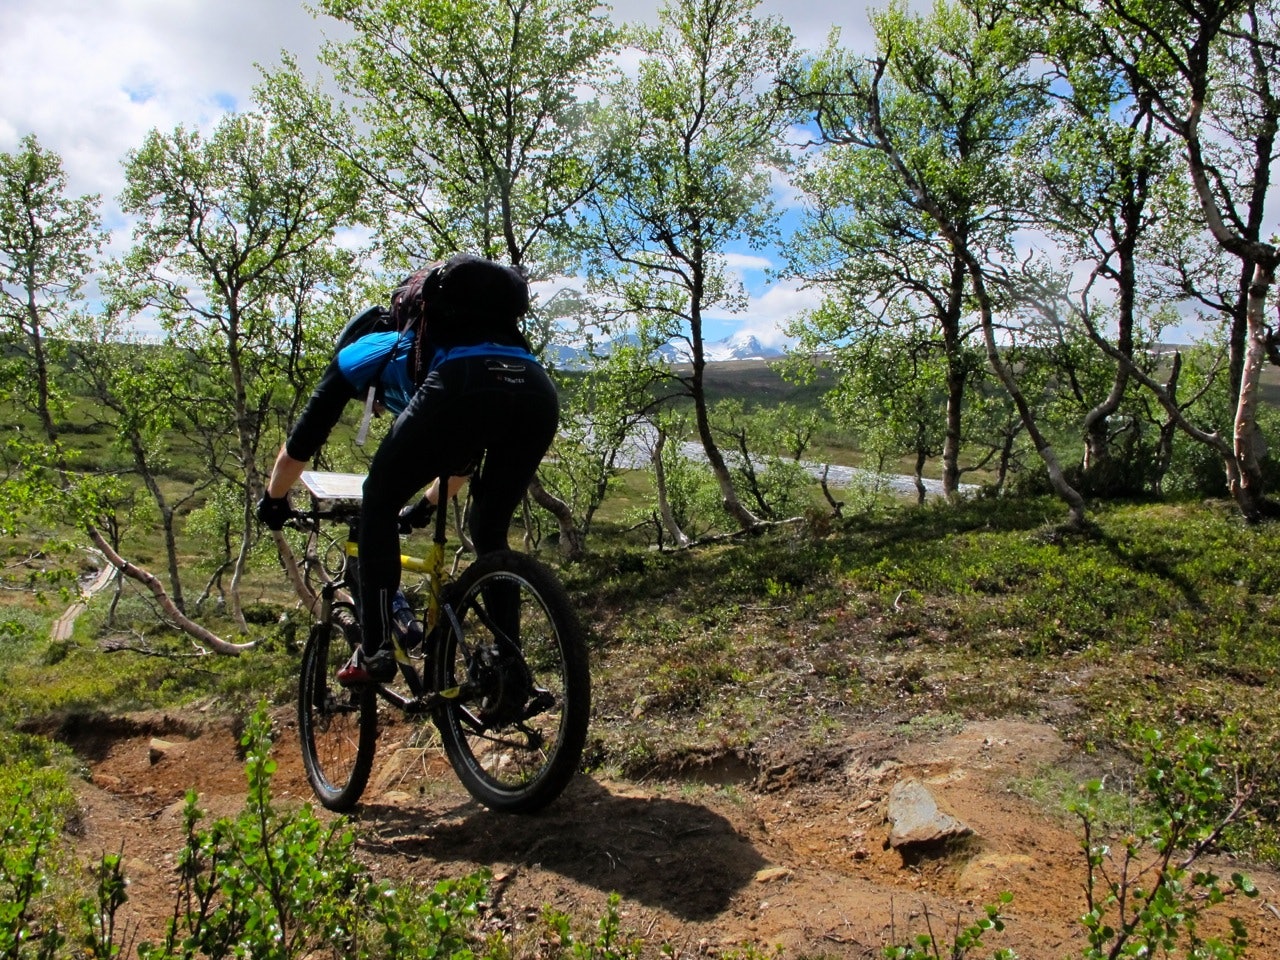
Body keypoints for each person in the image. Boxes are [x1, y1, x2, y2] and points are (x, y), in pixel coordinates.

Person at [256, 254, 559, 685]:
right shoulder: (462, 340)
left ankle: (375, 649)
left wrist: (273, 499)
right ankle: (508, 666)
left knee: (377, 497)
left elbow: (299, 446)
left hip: (462, 384)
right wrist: (421, 508)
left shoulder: (362, 352)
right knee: (489, 528)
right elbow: (462, 460)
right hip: (536, 391)